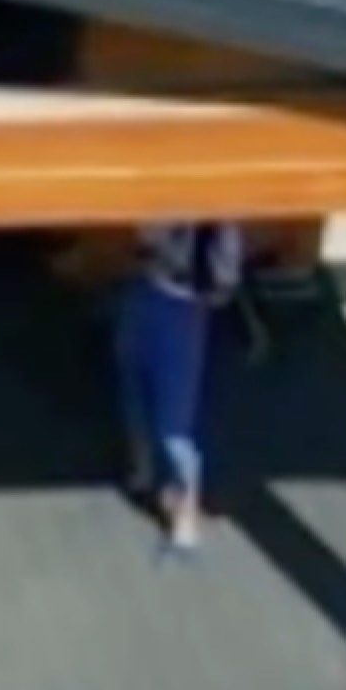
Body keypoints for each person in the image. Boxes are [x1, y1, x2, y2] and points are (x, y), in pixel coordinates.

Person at [114, 216, 248, 547]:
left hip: (182, 307)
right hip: (152, 290)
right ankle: (144, 468)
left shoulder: (219, 225)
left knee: (174, 425)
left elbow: (223, 277)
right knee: (132, 376)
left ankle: (185, 510)